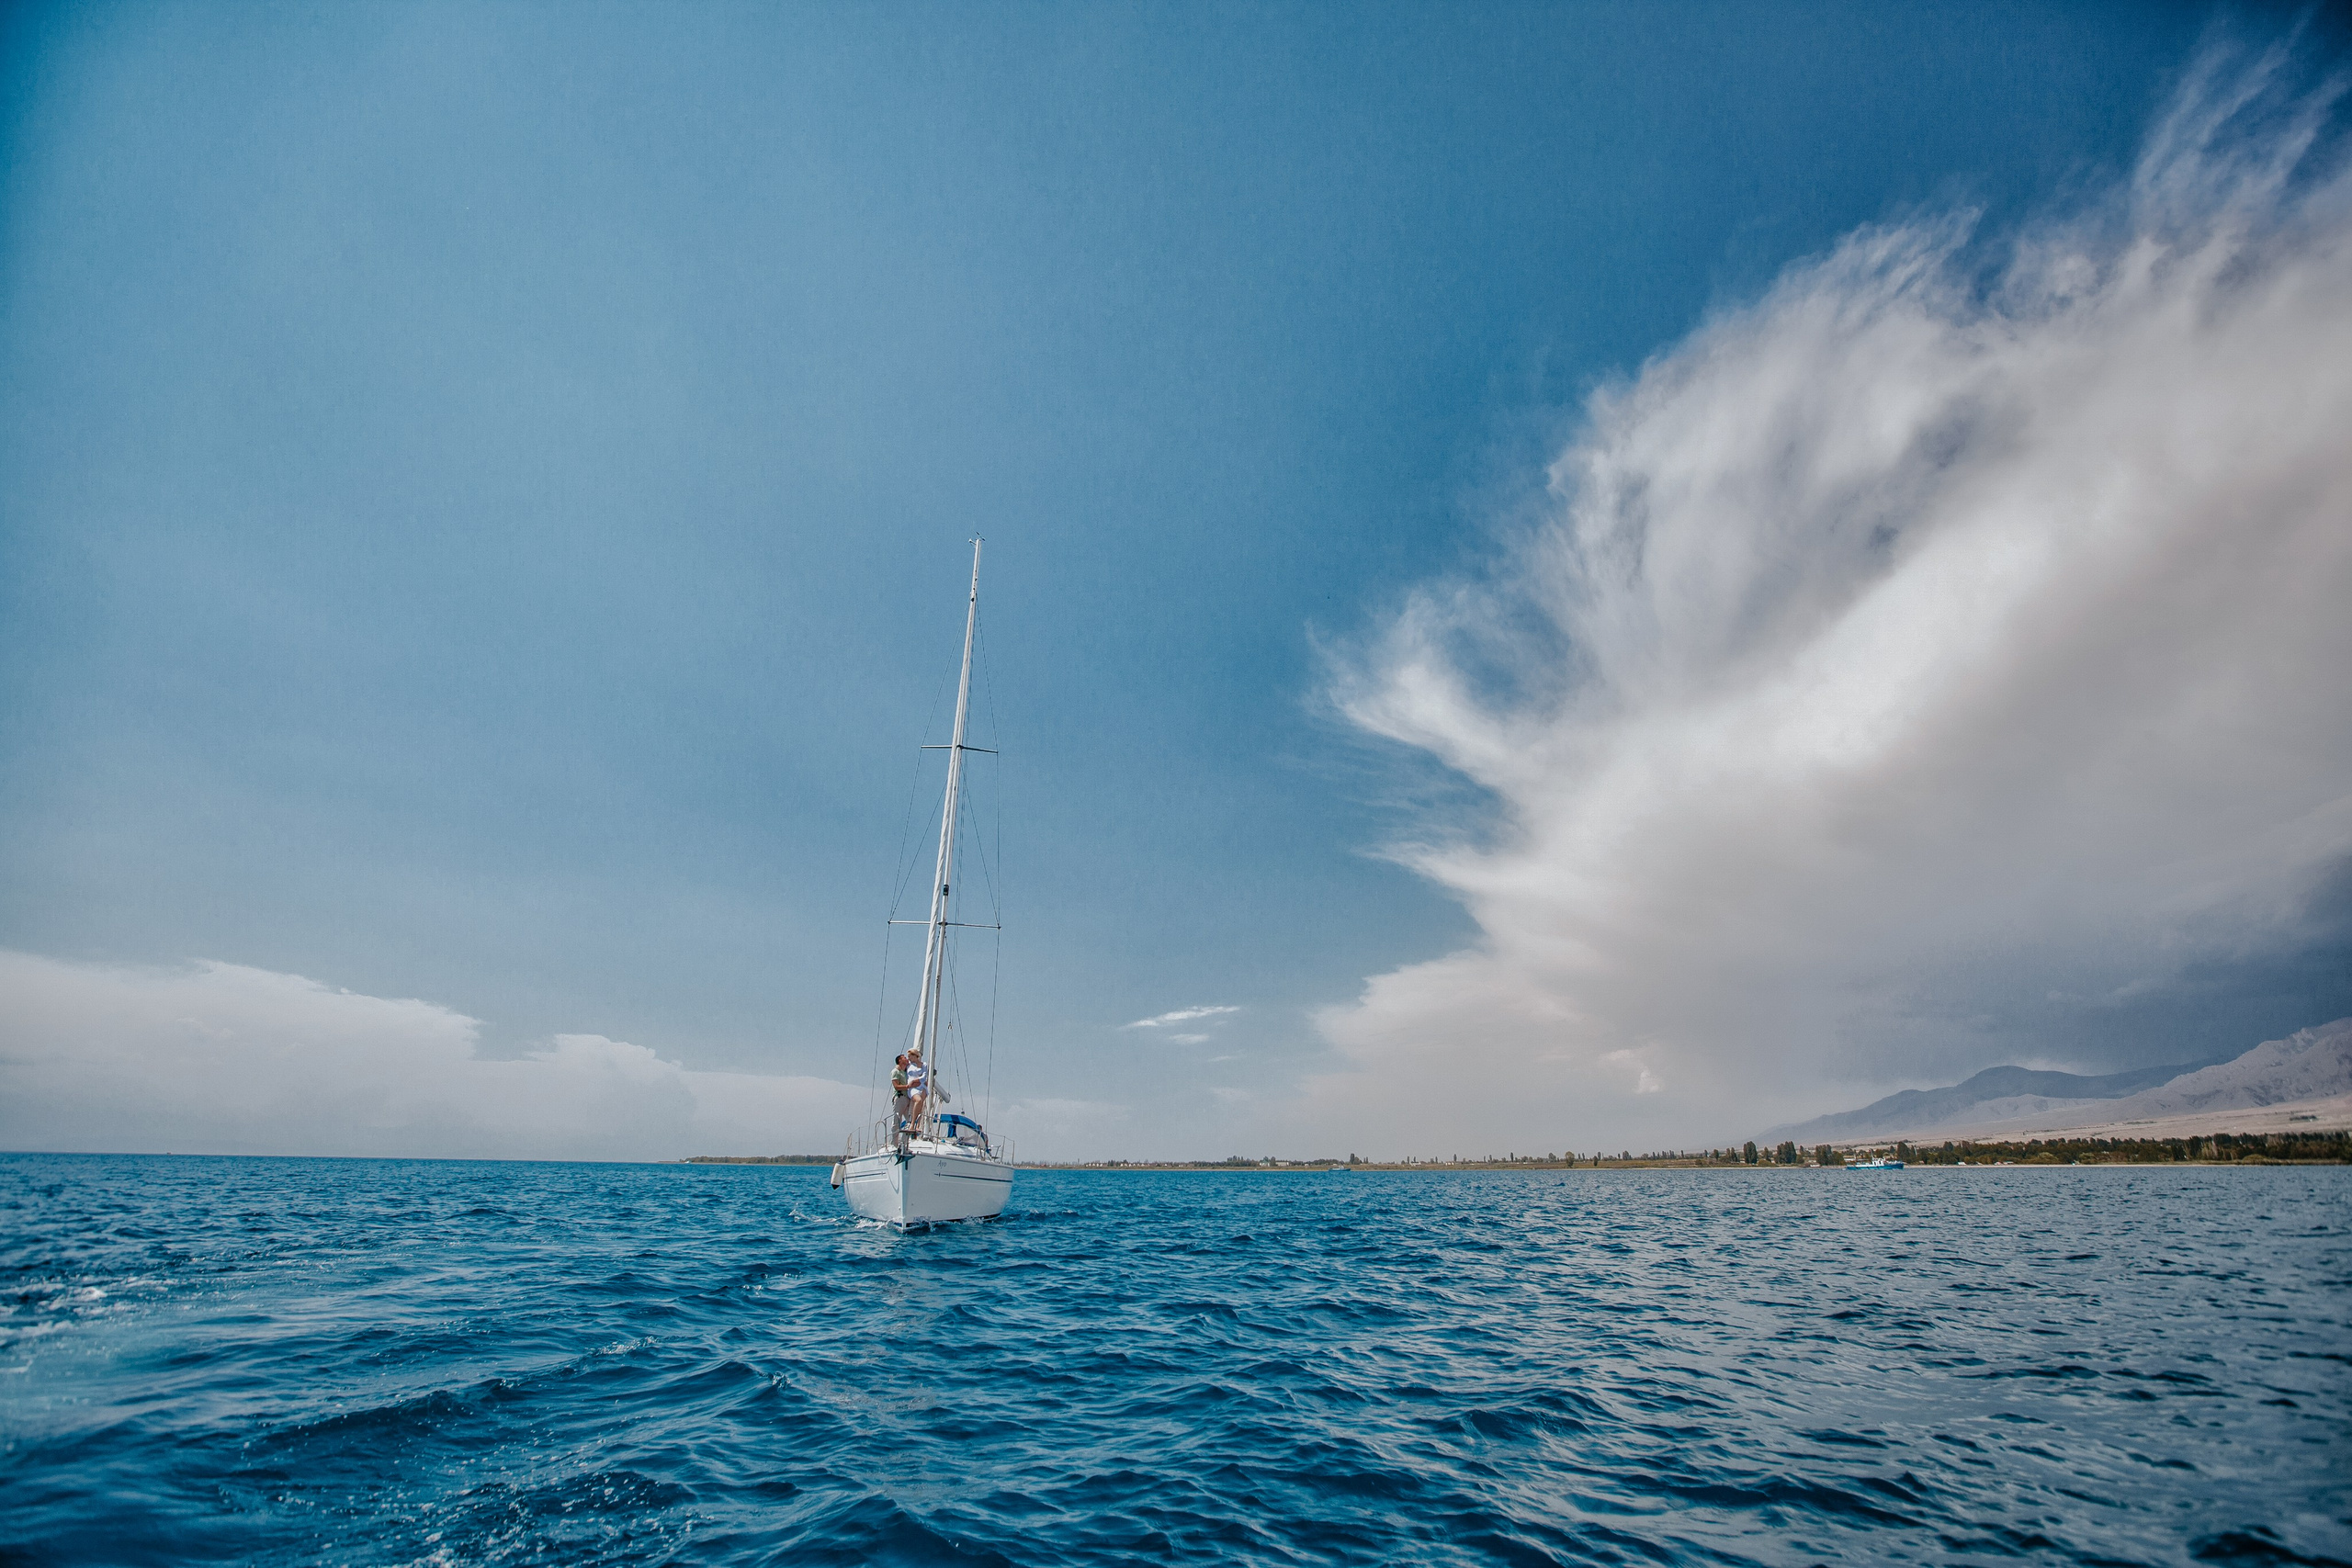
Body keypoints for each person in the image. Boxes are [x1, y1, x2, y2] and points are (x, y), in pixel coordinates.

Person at [905, 1046, 929, 1134]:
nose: (908, 1058)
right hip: (912, 1088)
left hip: (922, 1086)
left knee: (921, 1105)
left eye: (910, 1056)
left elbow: (924, 1077)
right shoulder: (908, 1066)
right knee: (918, 1101)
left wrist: (915, 1080)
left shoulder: (924, 1065)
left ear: (915, 1056)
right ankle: (912, 1123)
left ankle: (918, 1125)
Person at [889, 1055, 911, 1141]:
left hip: (907, 1098)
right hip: (900, 1097)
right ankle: (894, 1143)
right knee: (897, 1121)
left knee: (910, 1121)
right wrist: (907, 1086)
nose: (906, 1059)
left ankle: (904, 1141)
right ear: (899, 1060)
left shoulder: (905, 1071)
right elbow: (896, 1086)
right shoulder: (896, 1071)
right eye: (904, 1058)